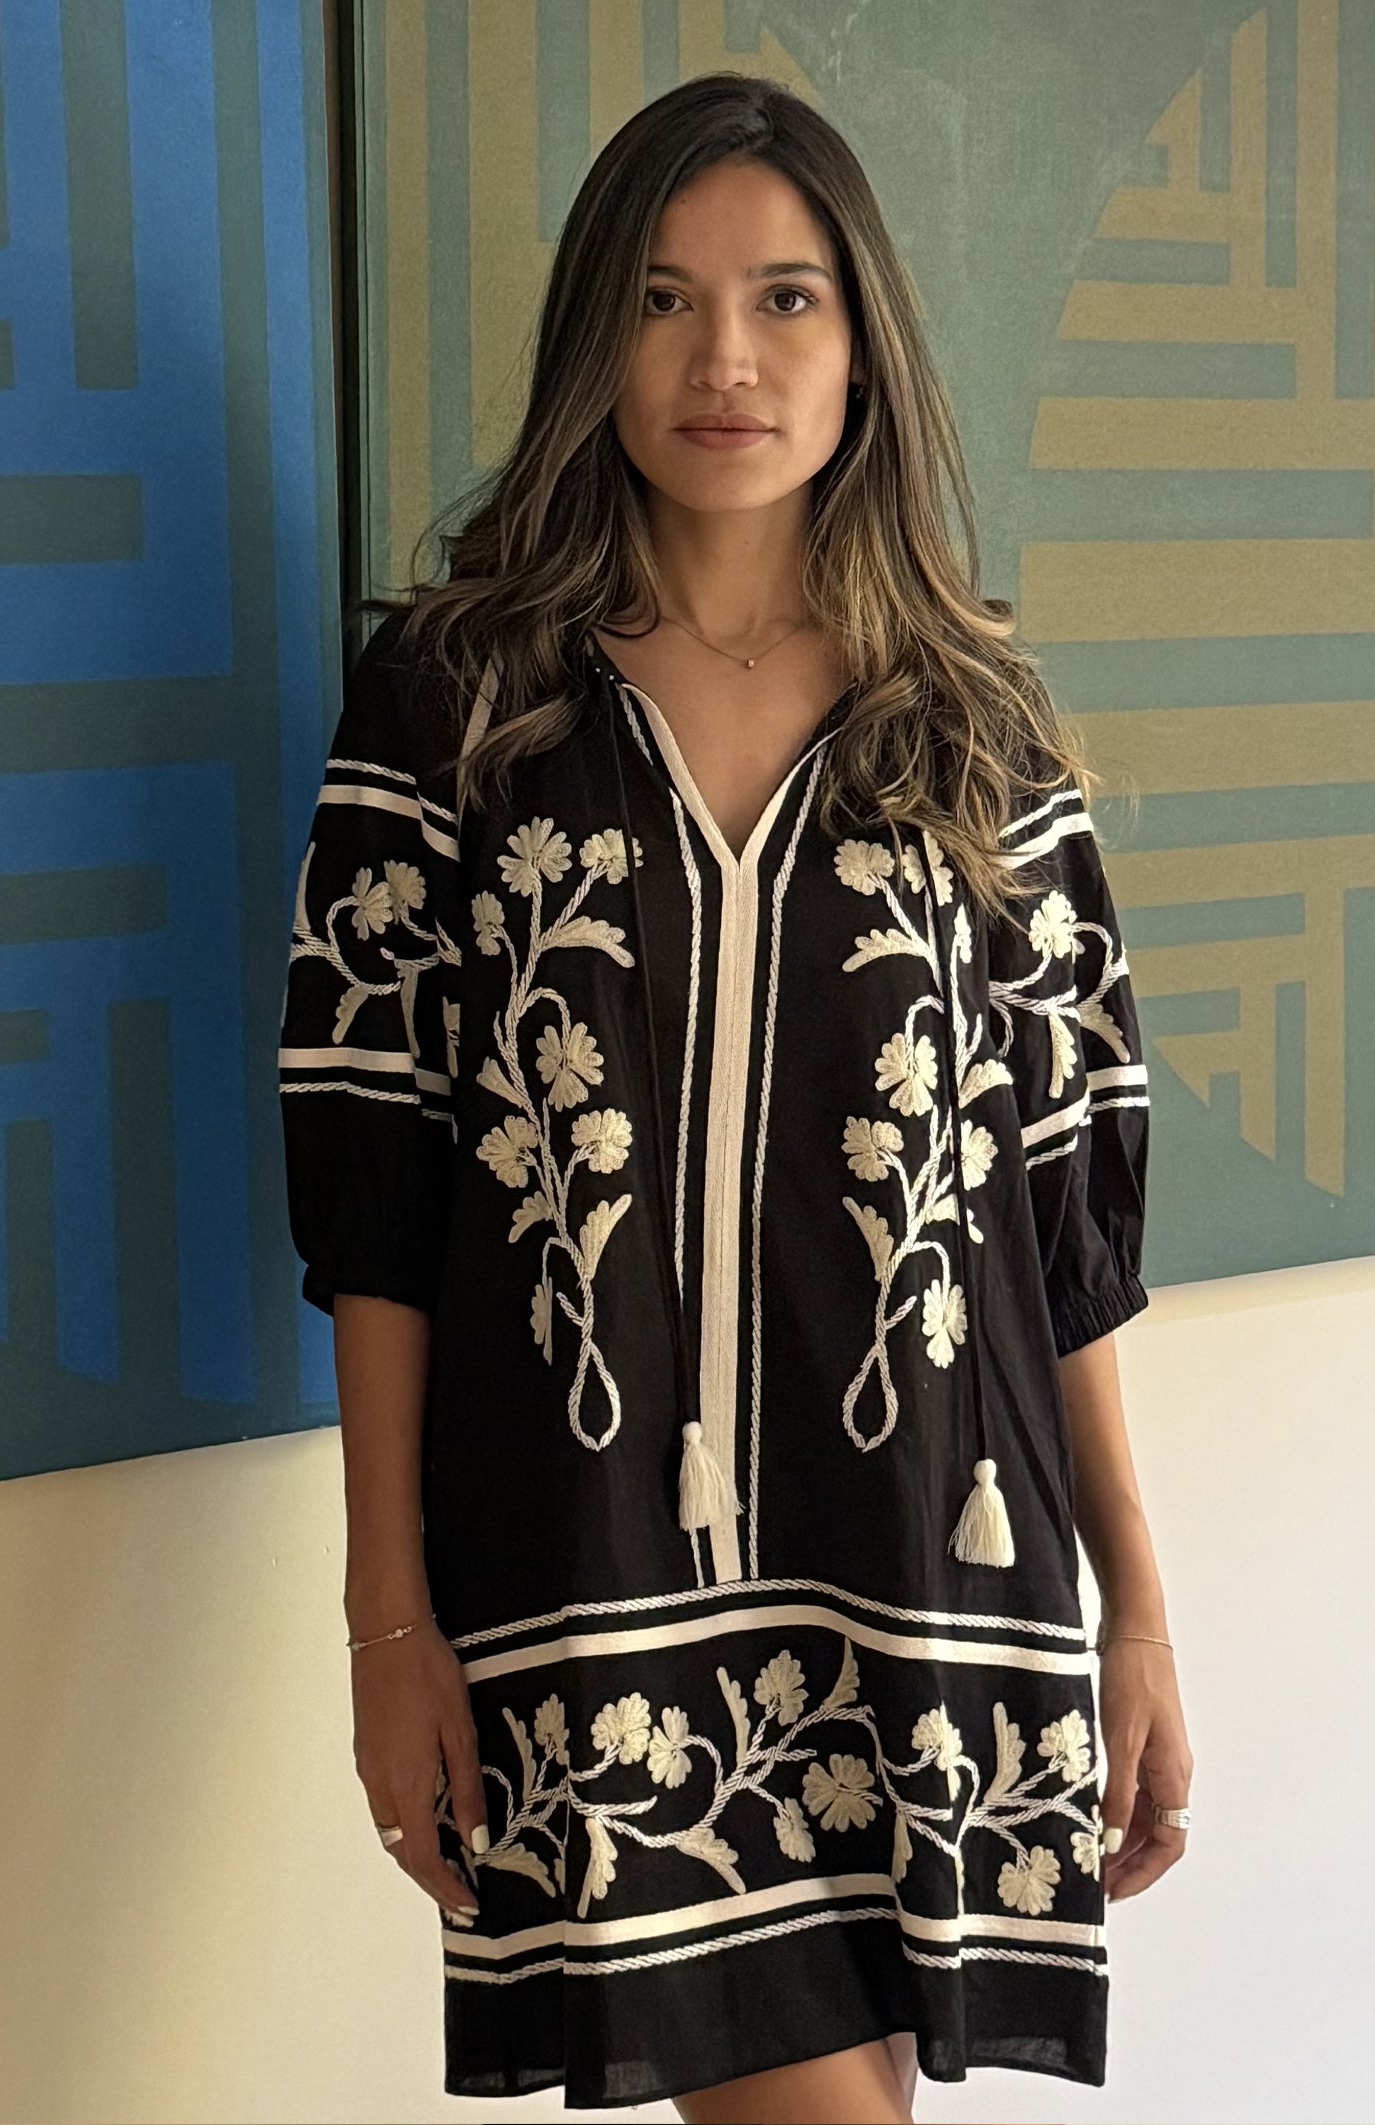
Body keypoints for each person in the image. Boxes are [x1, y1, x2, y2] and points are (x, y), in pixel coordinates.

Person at [277, 71, 1193, 2125]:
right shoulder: (454, 700)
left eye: (784, 299)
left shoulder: (972, 722)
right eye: (667, 300)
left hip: (926, 1553)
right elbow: (378, 1187)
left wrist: (1137, 1610)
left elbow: (1055, 1207)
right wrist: (384, 1622)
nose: (724, 358)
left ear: (861, 339)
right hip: (585, 1565)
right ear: (594, 333)